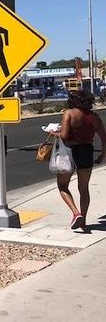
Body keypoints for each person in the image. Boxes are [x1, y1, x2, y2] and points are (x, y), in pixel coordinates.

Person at [54, 90, 105, 230]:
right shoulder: (94, 117)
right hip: (87, 151)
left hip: (69, 151)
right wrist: (103, 155)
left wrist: (54, 133)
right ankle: (83, 221)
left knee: (62, 185)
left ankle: (76, 213)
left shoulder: (69, 113)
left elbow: (64, 136)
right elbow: (103, 137)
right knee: (84, 188)